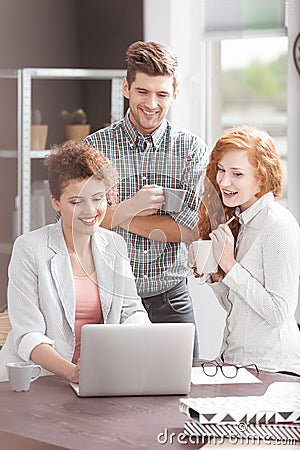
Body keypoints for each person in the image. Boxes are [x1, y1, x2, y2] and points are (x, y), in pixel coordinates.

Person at [85, 41, 208, 357]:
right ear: (126, 88)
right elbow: (77, 220)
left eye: (162, 94)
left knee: (184, 395)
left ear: (174, 95)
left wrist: (118, 214)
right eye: (143, 92)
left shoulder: (191, 150)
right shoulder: (94, 149)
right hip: (108, 299)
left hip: (172, 298)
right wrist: (132, 207)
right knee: (109, 399)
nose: (152, 103)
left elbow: (193, 229)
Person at [0, 141, 150, 383]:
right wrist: (72, 372)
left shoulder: (115, 246)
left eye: (98, 198)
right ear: (56, 202)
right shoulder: (29, 248)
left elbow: (132, 311)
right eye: (76, 202)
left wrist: (143, 340)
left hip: (99, 378)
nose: (90, 211)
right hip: (41, 379)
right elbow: (28, 335)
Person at [192, 124, 300, 375]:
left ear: (261, 178)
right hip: (236, 363)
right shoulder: (239, 219)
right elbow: (237, 307)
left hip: (274, 369)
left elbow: (278, 313)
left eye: (237, 174)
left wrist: (230, 266)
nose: (224, 181)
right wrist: (215, 274)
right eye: (221, 170)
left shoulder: (278, 224)